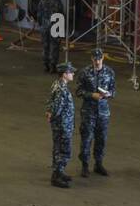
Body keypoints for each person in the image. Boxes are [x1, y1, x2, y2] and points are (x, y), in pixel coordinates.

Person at [74, 48, 115, 177]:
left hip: (103, 112)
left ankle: (99, 164)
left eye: (99, 58)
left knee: (101, 139)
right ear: (91, 58)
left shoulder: (109, 72)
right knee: (86, 139)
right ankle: (85, 166)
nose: (97, 61)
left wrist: (109, 94)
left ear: (103, 58)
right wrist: (92, 95)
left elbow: (114, 91)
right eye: (95, 58)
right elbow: (78, 91)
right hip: (88, 111)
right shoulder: (85, 73)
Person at [45, 61, 76, 188]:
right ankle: (56, 175)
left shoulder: (56, 84)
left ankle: (59, 172)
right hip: (63, 124)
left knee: (58, 148)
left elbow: (49, 102)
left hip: (61, 124)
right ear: (64, 74)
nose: (73, 73)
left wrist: (49, 113)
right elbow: (57, 108)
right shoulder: (61, 89)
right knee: (64, 150)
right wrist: (54, 116)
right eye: (71, 72)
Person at [37, 0, 63, 73]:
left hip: (44, 27)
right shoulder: (58, 3)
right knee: (54, 47)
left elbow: (39, 16)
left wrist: (41, 25)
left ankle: (45, 65)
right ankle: (53, 66)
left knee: (45, 47)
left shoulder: (42, 2)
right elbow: (61, 17)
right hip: (55, 27)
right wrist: (61, 32)